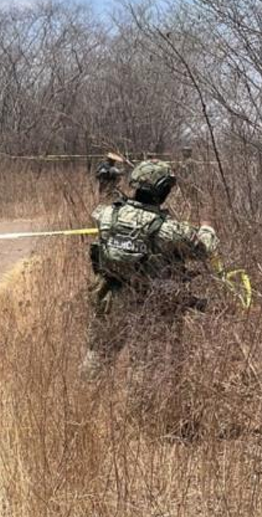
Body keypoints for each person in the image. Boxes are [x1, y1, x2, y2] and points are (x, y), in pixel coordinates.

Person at [82, 159, 218, 376]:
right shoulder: (168, 229)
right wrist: (207, 227)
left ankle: (86, 395)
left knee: (97, 360)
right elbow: (204, 250)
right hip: (150, 305)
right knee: (145, 371)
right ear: (163, 190)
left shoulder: (107, 214)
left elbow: (102, 207)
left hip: (109, 298)